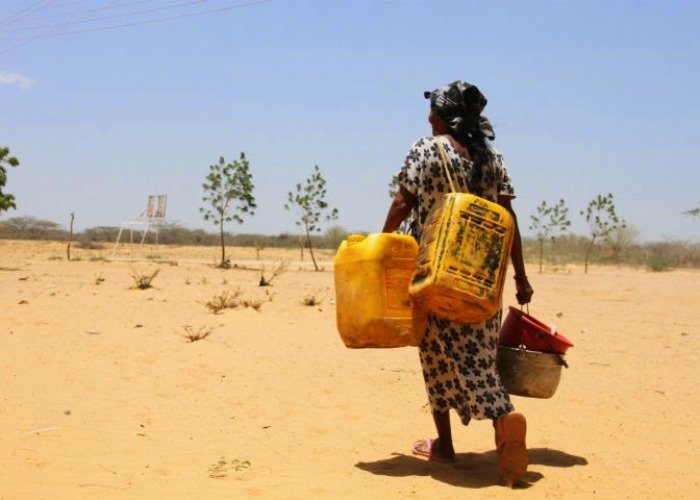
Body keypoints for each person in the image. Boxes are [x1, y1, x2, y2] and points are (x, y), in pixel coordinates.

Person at [382, 80, 534, 486]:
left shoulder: (426, 150)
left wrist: (382, 249)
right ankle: (500, 422)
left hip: (434, 275)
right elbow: (510, 221)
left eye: (432, 108)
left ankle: (454, 441)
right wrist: (519, 274)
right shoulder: (493, 157)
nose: (427, 115)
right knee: (480, 358)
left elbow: (402, 202)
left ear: (443, 115)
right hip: (484, 280)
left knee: (436, 359)